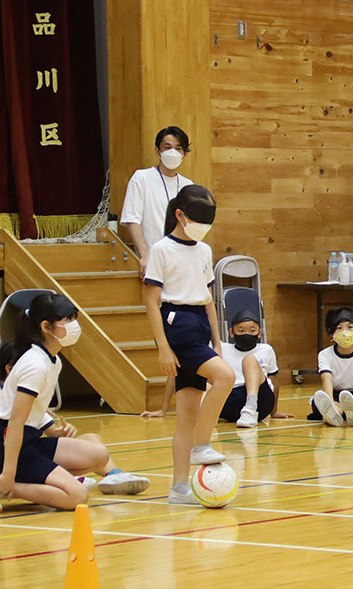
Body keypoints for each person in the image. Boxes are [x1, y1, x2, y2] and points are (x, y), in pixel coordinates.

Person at [0, 295, 152, 513]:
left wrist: (53, 430)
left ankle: (28, 479)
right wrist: (9, 474)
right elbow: (15, 422)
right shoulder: (35, 365)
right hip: (6, 443)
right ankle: (2, 486)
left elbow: (33, 413)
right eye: (67, 320)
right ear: (46, 327)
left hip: (28, 439)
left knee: (98, 455)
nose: (74, 325)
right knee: (76, 496)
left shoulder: (53, 361)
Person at [143, 184, 236, 505]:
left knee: (186, 415)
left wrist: (217, 340)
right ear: (180, 215)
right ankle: (202, 444)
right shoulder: (161, 250)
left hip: (198, 324)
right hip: (176, 324)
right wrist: (163, 348)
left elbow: (209, 299)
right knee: (225, 377)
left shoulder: (204, 250)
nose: (204, 228)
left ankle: (178, 488)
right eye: (199, 220)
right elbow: (151, 302)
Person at [0, 340, 150, 495]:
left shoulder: (32, 397)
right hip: (6, 454)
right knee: (75, 495)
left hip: (29, 450)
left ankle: (113, 474)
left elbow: (52, 434)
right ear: (10, 369)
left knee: (92, 438)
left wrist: (64, 431)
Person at [121, 126, 194, 419]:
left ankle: (177, 400)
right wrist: (145, 255)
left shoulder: (188, 186)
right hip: (155, 259)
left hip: (182, 263)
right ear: (157, 149)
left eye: (177, 147)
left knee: (181, 332)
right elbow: (132, 219)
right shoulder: (142, 178)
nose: (172, 152)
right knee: (163, 327)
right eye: (166, 146)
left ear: (186, 152)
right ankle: (167, 402)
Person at [309, 308, 353, 426]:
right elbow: (326, 379)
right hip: (334, 393)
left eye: (350, 327)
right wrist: (331, 401)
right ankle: (334, 413)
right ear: (331, 333)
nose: (345, 332)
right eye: (339, 328)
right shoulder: (324, 355)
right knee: (328, 408)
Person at [219, 310, 292, 428]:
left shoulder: (266, 349)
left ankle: (250, 407)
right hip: (231, 399)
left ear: (259, 333)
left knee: (249, 360)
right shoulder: (222, 348)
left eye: (252, 330)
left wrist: (274, 412)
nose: (247, 334)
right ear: (232, 333)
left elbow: (274, 381)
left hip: (260, 401)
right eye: (241, 330)